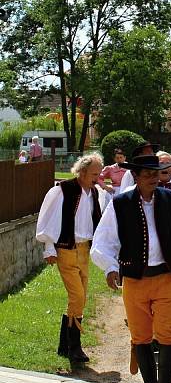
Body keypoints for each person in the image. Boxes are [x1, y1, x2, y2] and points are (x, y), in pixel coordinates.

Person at [90, 154, 171, 383]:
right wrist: (109, 267)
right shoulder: (120, 203)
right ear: (137, 176)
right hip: (135, 280)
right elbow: (104, 240)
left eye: (157, 173)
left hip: (166, 278)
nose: (154, 178)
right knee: (140, 337)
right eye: (149, 174)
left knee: (167, 335)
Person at [36, 153, 104, 363]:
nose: (98, 177)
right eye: (94, 173)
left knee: (81, 294)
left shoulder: (94, 192)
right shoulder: (62, 190)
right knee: (78, 297)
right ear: (82, 172)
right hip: (66, 248)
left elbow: (98, 220)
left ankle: (64, 345)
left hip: (84, 249)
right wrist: (49, 247)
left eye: (99, 173)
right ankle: (75, 347)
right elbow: (50, 219)